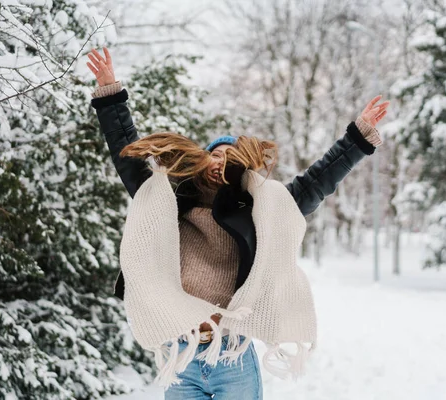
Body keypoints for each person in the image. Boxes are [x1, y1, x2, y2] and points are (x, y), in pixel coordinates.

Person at [87, 47, 389, 400]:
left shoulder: (260, 208)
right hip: (180, 354)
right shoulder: (170, 201)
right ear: (202, 159)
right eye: (216, 154)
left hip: (231, 354)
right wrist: (110, 98)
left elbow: (316, 182)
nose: (220, 163)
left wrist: (357, 138)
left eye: (231, 159)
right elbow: (130, 156)